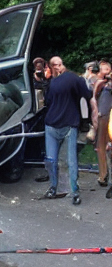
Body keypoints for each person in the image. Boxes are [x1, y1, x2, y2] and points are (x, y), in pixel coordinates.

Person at [42, 56, 91, 205]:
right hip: (69, 123)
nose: (58, 66)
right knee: (71, 160)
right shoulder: (75, 79)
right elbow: (87, 95)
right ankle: (74, 192)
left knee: (51, 160)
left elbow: (47, 102)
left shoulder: (51, 84)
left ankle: (53, 188)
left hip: (51, 123)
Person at [89, 60, 112, 188]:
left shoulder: (107, 84)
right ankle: (103, 174)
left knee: (104, 147)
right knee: (101, 147)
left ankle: (105, 175)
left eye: (105, 69)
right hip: (103, 116)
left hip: (108, 116)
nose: (102, 72)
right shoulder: (100, 83)